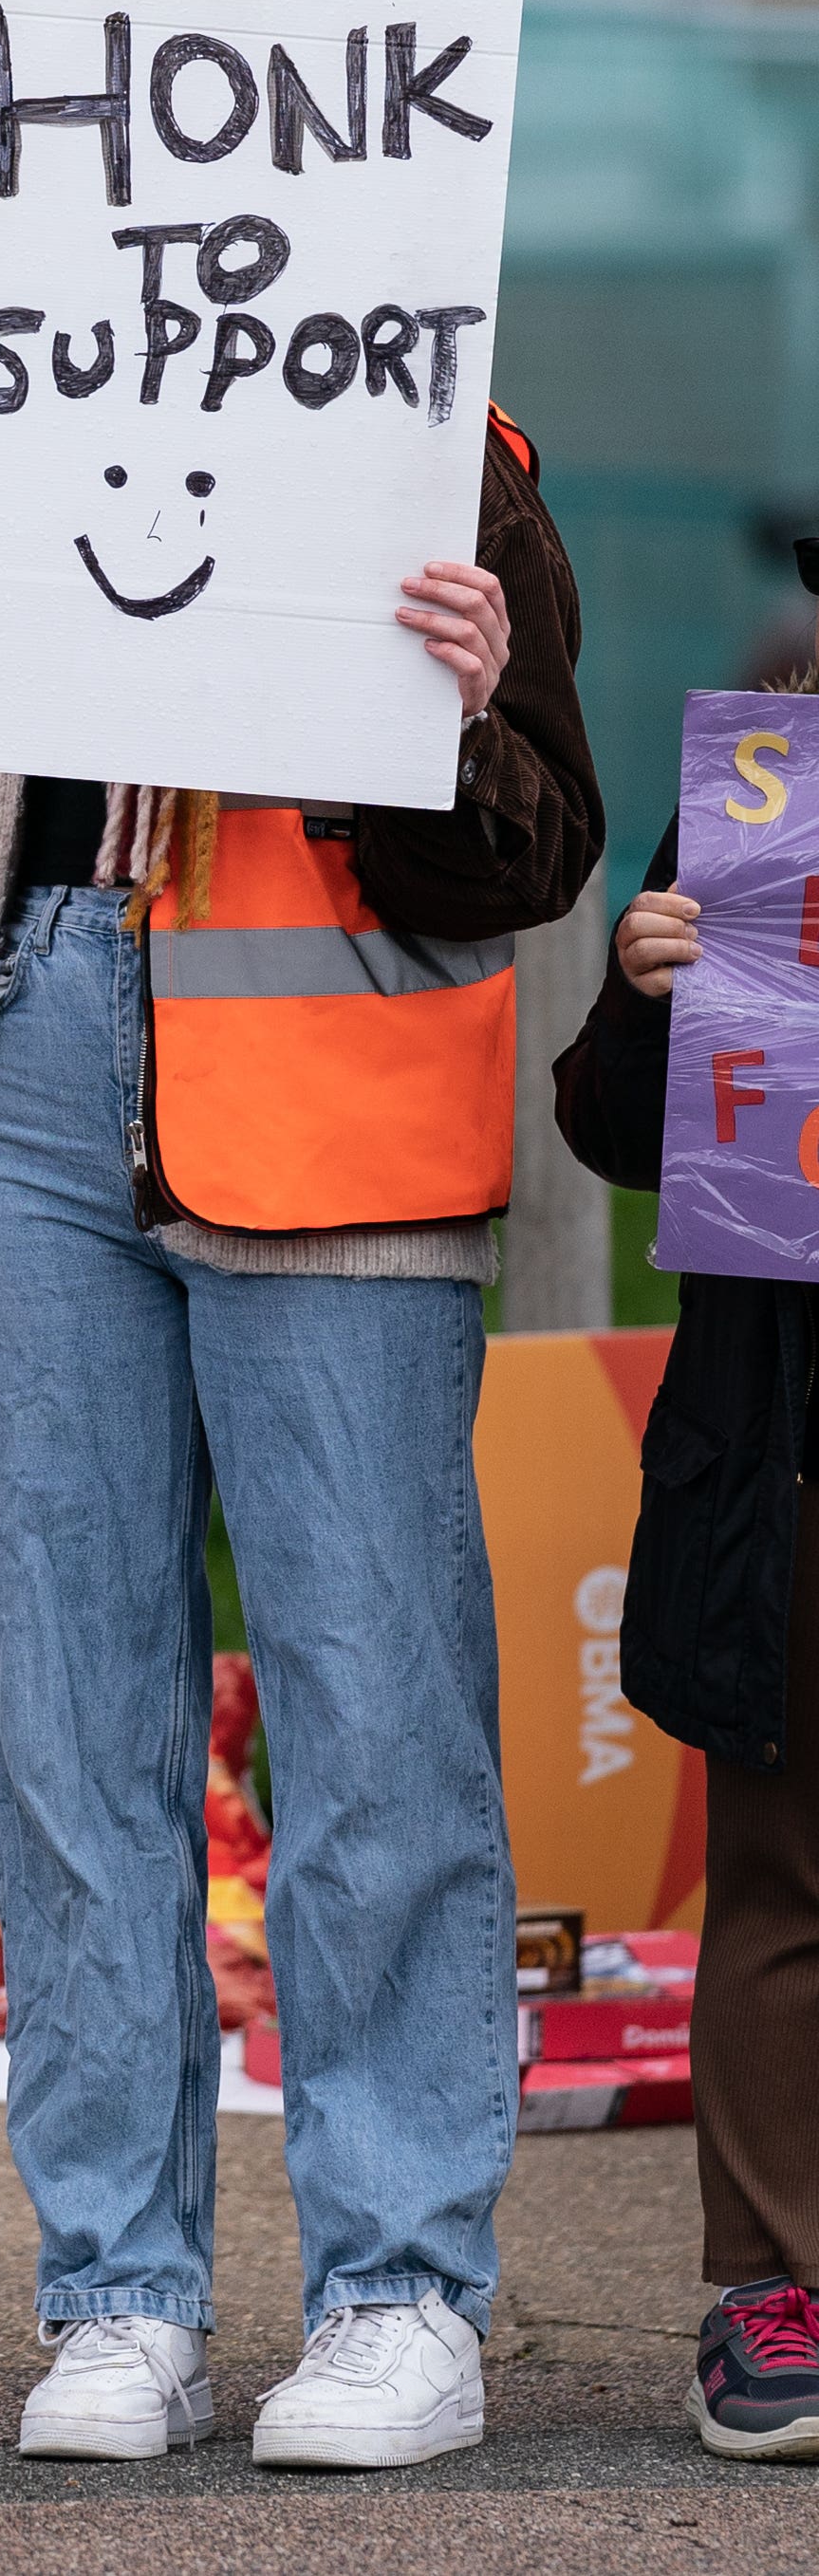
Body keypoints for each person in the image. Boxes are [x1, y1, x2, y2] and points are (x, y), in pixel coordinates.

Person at [0, 0, 605, 2470]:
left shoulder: (464, 461)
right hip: (25, 1090)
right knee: (75, 1723)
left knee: (374, 1715)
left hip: (329, 1128)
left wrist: (435, 704)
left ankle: (403, 2281)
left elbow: (529, 853)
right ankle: (118, 2288)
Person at [551, 749, 819, 2463]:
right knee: (787, 1868)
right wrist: (653, 993)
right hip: (789, 1448)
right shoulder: (765, 793)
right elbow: (603, 1121)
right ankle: (776, 2282)